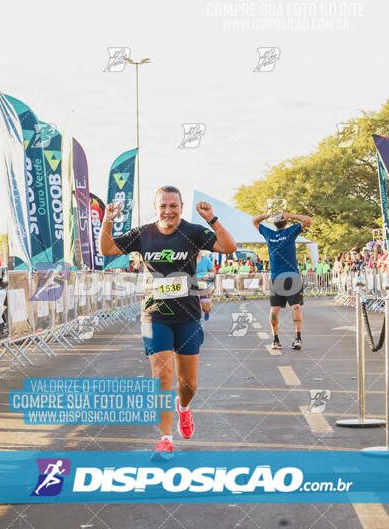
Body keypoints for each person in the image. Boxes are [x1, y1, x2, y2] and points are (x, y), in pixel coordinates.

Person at [100, 186, 236, 457]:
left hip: (187, 316)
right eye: (163, 205)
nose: (168, 210)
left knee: (189, 385)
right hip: (154, 315)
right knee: (162, 376)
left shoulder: (193, 231)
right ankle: (165, 439)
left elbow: (229, 247)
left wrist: (211, 218)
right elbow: (108, 249)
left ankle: (183, 408)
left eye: (173, 205)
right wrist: (107, 220)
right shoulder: (143, 234)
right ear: (155, 208)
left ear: (181, 207)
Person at [251, 210, 312, 350]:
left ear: (274, 223)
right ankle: (298, 338)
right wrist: (290, 215)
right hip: (292, 276)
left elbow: (254, 220)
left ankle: (275, 339)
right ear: (285, 221)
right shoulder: (289, 232)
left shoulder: (269, 234)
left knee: (274, 309)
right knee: (295, 306)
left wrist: (268, 214)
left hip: (276, 277)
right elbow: (307, 220)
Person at [196, 250, 215, 321]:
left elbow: (213, 271)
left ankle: (206, 312)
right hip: (193, 284)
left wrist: (209, 275)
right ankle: (196, 321)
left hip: (205, 285)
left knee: (206, 309)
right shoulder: (188, 259)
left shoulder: (205, 260)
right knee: (194, 308)